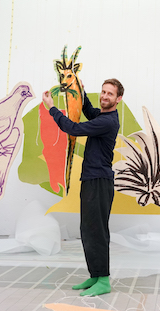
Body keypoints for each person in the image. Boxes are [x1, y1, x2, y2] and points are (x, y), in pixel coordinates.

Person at [42, 78, 124, 297]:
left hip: (99, 181)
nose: (105, 96)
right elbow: (88, 110)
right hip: (91, 179)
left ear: (118, 99)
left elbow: (73, 128)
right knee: (87, 230)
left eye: (110, 94)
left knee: (96, 231)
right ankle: (96, 275)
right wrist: (81, 92)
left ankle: (104, 280)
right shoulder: (103, 115)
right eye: (103, 92)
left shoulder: (107, 122)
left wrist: (51, 108)